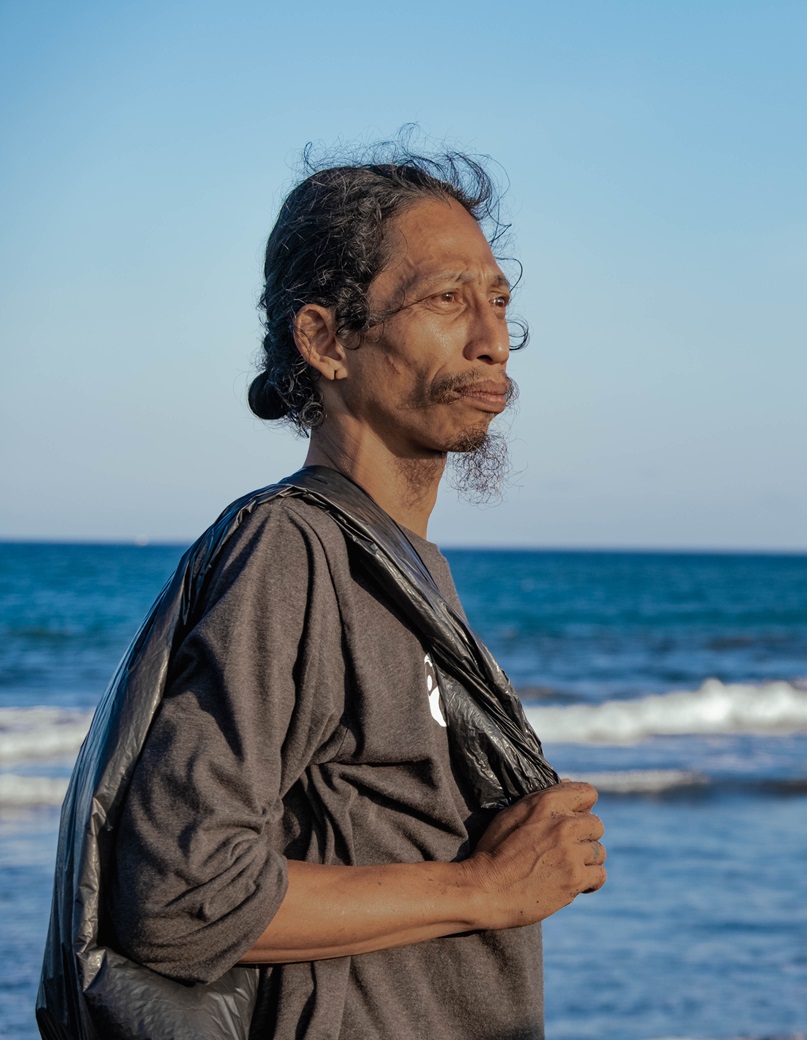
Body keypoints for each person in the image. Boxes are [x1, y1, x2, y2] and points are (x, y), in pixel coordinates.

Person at [68, 150, 604, 1040]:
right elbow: (180, 895)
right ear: (325, 341)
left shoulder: (397, 564)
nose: (491, 338)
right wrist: (484, 888)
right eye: (446, 299)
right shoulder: (295, 550)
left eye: (499, 300)